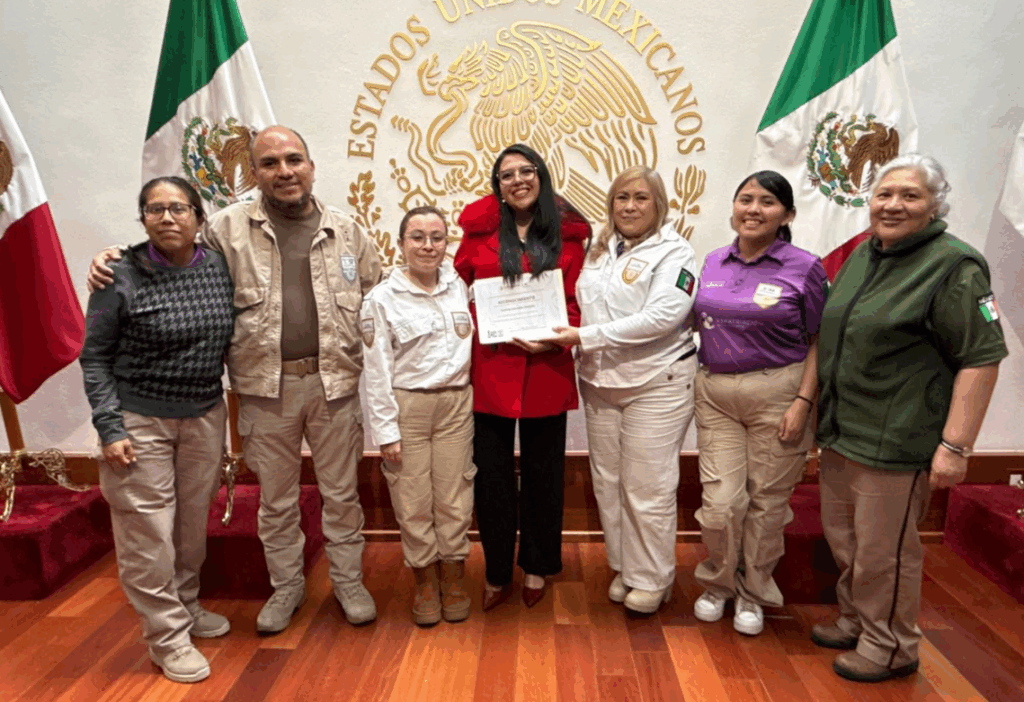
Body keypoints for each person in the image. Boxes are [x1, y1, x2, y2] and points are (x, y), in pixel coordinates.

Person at [87, 126, 383, 633]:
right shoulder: (225, 230)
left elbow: (379, 295)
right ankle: (286, 586)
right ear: (255, 173)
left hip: (334, 387)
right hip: (264, 391)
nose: (284, 171)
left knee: (341, 495)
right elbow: (170, 251)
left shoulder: (348, 231)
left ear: (311, 167)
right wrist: (112, 257)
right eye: (270, 163)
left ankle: (349, 583)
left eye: (294, 159)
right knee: (277, 500)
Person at [814, 154, 1007, 683]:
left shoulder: (955, 267)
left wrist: (956, 446)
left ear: (935, 205)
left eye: (910, 195)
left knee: (886, 552)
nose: (893, 205)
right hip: (842, 429)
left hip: (896, 438)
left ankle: (892, 645)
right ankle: (857, 620)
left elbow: (981, 358)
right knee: (846, 539)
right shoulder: (865, 253)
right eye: (884, 194)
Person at [81, 177, 234, 683]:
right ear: (143, 218)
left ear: (198, 217)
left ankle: (186, 607)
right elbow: (95, 358)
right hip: (138, 421)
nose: (167, 218)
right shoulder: (118, 274)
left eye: (178, 208)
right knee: (148, 535)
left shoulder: (219, 267)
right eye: (154, 209)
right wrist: (109, 427)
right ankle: (167, 638)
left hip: (205, 415)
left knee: (190, 530)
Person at [542, 166, 698, 613]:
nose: (629, 206)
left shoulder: (676, 252)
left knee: (647, 486)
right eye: (621, 198)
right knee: (608, 484)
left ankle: (652, 578)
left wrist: (583, 337)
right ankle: (626, 567)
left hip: (656, 381)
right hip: (600, 382)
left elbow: (662, 317)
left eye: (640, 198)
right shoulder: (598, 248)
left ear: (658, 204)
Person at [690, 170, 827, 636]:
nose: (753, 209)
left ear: (787, 215)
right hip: (716, 395)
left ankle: (753, 592)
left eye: (767, 202)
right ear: (733, 208)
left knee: (766, 503)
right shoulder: (713, 261)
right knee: (721, 503)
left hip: (780, 393)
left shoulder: (804, 267)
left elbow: (819, 340)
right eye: (745, 199)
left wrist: (803, 401)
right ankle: (719, 582)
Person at [454, 143, 590, 609]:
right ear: (497, 187)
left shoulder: (568, 238)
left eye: (526, 171)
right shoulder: (477, 236)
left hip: (547, 367)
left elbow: (577, 302)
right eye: (506, 175)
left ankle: (536, 564)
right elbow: (456, 294)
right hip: (491, 369)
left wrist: (556, 339)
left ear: (541, 176)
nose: (518, 180)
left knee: (543, 475)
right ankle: (495, 570)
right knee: (490, 478)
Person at [360, 206, 475, 626]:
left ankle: (454, 574)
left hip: (456, 404)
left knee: (455, 496)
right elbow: (376, 371)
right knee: (412, 500)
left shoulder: (460, 287)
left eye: (437, 237)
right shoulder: (381, 299)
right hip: (408, 406)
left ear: (447, 243)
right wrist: (386, 432)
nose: (428, 246)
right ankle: (424, 578)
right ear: (401, 244)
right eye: (418, 237)